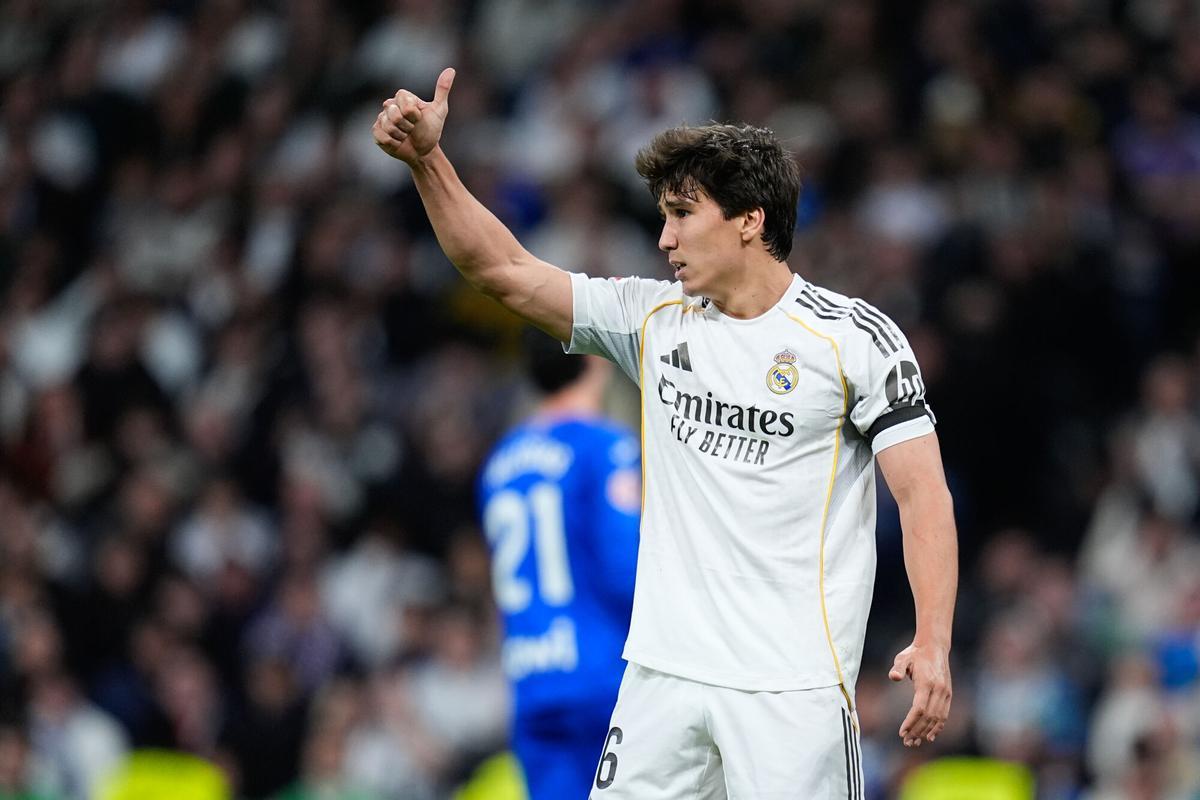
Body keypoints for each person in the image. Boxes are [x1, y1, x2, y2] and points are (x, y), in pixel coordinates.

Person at [373, 68, 957, 799]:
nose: (664, 236)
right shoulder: (652, 321)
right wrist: (428, 161)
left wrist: (932, 640)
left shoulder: (856, 342)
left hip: (791, 688)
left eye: (683, 213)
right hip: (662, 679)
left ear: (750, 219)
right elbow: (503, 271)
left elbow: (923, 494)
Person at [478, 331, 641, 800]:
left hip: (532, 678)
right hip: (604, 680)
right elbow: (623, 569)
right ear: (599, 361)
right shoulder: (606, 448)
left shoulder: (500, 462)